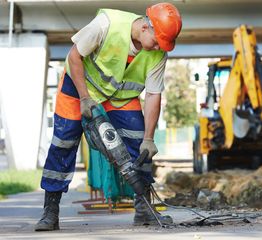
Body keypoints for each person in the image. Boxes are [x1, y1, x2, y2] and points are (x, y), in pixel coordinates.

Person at [34, 2, 182, 231]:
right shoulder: (107, 24)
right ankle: (50, 212)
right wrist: (84, 98)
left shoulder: (158, 53)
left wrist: (149, 138)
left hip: (120, 96)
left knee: (140, 144)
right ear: (145, 28)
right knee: (63, 144)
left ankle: (144, 210)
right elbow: (74, 56)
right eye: (157, 41)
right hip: (78, 88)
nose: (158, 48)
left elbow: (153, 95)